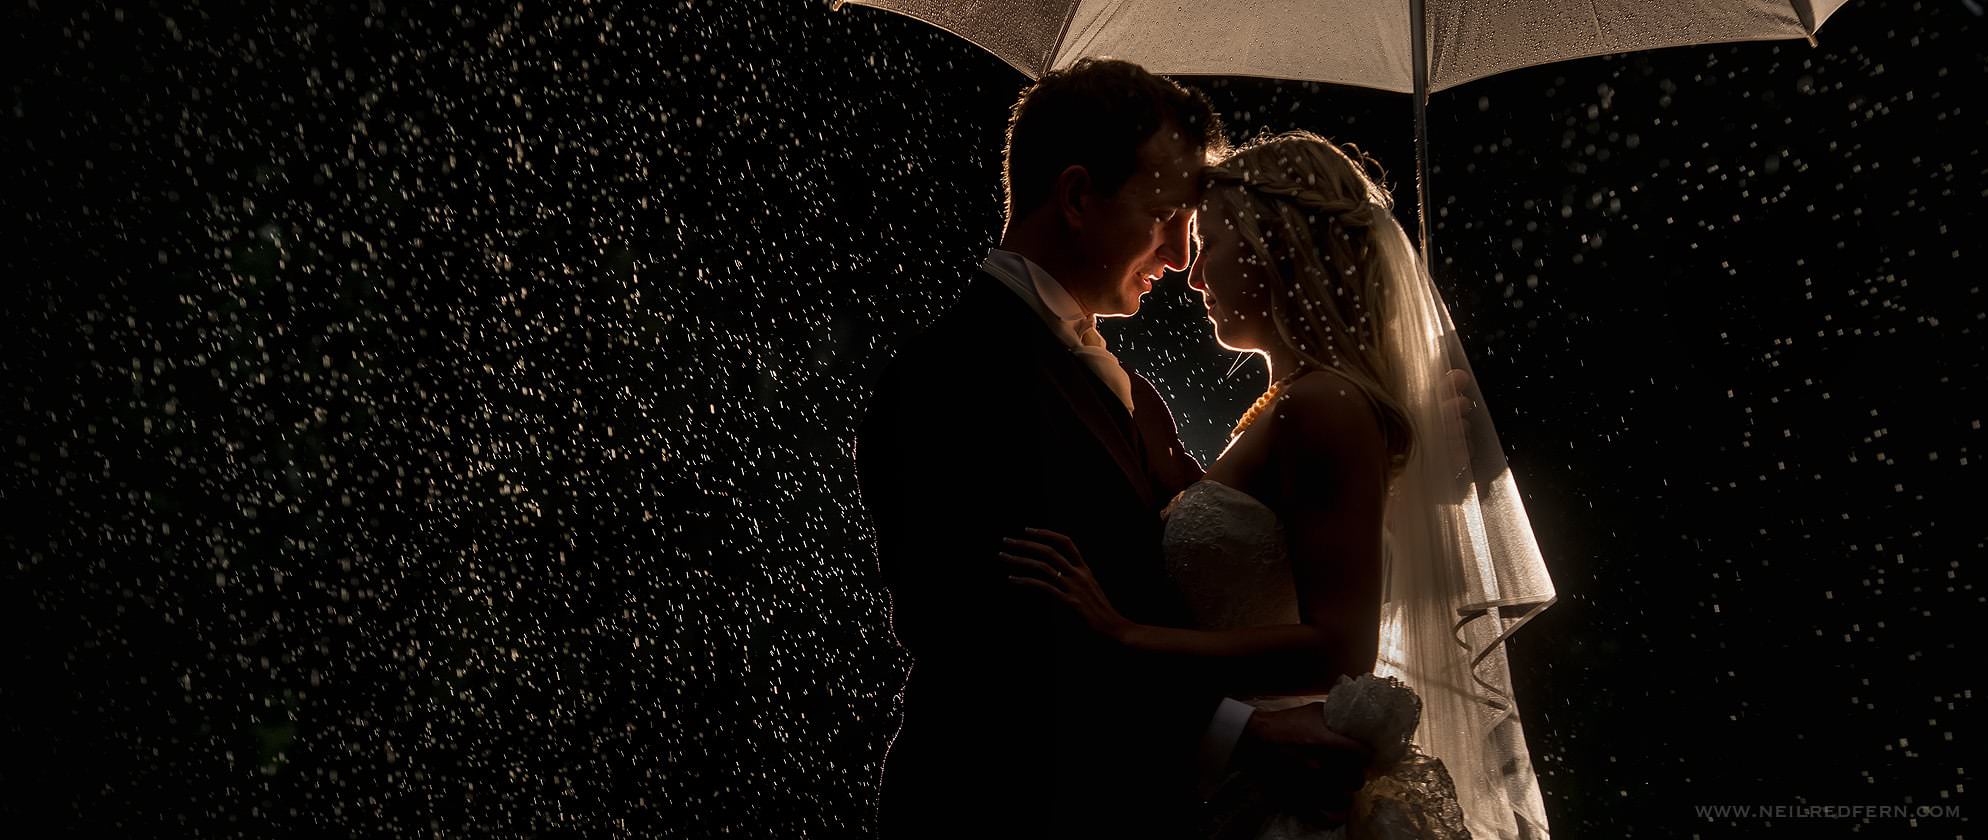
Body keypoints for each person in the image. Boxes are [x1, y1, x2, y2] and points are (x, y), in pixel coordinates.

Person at [856, 62, 1368, 840]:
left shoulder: (1114, 383)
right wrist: (1240, 732)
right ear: (1077, 197)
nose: (1177, 256)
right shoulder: (956, 375)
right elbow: (994, 646)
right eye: (1164, 214)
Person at [1003, 132, 1558, 839]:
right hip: (1232, 777)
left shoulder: (1323, 403)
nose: (1194, 274)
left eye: (1213, 243)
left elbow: (1340, 646)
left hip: (1285, 786)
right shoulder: (1287, 402)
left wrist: (1127, 635)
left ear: (1280, 247)